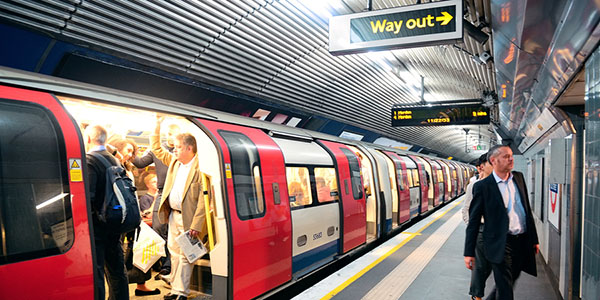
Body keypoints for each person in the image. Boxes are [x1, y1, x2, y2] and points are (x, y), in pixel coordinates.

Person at [464, 145, 540, 300]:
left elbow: (526, 211)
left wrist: (534, 239)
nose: (511, 159)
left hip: (521, 240)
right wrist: (469, 252)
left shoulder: (518, 178)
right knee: (505, 287)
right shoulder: (482, 187)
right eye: (506, 156)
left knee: (509, 280)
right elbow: (473, 221)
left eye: (511, 155)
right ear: (493, 160)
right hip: (499, 242)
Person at [152, 116, 208, 300]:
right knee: (174, 252)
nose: (174, 150)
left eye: (177, 147)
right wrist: (157, 125)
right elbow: (157, 149)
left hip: (189, 218)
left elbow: (204, 198)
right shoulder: (175, 162)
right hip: (173, 216)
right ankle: (176, 290)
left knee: (185, 254)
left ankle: (181, 293)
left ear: (189, 148)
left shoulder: (201, 166)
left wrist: (197, 224)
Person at [85, 124, 129, 300]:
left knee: (97, 273)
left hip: (97, 226)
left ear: (88, 139)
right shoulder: (115, 160)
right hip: (115, 222)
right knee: (117, 269)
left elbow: (89, 197)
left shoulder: (90, 161)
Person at [133, 123, 180, 278]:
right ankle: (163, 263)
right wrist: (128, 153)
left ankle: (170, 265)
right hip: (162, 193)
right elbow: (140, 163)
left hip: (178, 192)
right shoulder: (158, 151)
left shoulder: (182, 152)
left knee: (177, 229)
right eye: (170, 134)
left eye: (175, 134)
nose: (172, 137)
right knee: (159, 228)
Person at [462, 153, 493, 300]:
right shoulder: (474, 185)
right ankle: (476, 295)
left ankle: (476, 289)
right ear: (482, 167)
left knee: (495, 267)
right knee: (480, 266)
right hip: (481, 230)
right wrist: (473, 229)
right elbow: (466, 209)